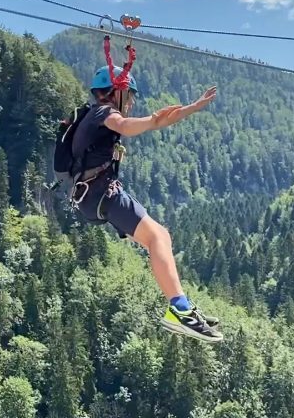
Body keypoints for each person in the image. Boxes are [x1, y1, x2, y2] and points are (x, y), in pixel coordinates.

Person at [71, 65, 223, 343]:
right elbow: (126, 126)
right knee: (157, 237)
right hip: (103, 194)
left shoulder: (94, 116)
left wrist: (193, 107)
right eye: (129, 96)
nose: (131, 102)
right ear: (115, 92)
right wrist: (152, 119)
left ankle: (181, 307)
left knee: (160, 237)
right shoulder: (105, 113)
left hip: (94, 196)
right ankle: (180, 309)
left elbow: (160, 121)